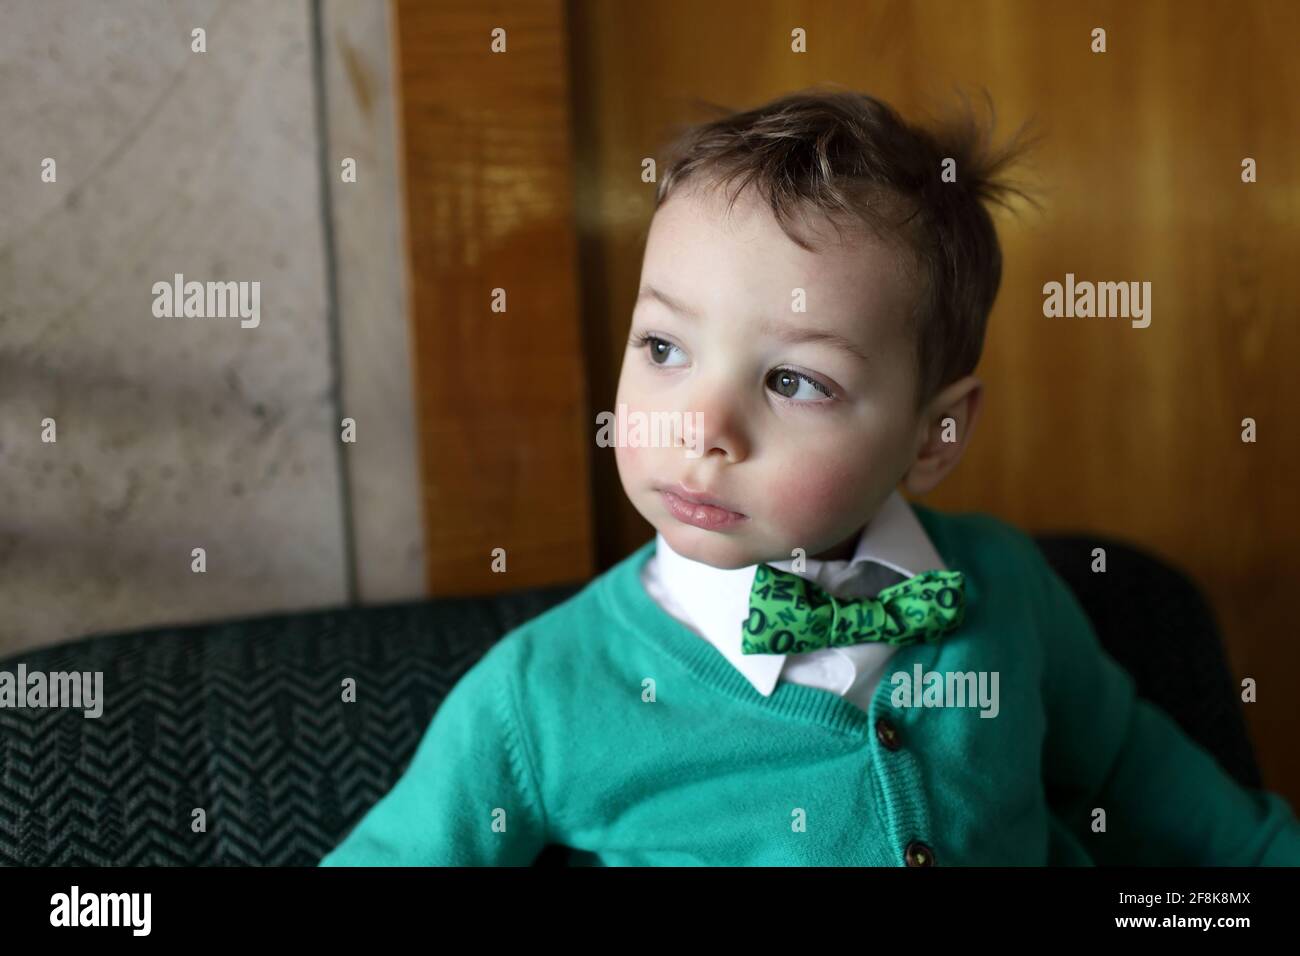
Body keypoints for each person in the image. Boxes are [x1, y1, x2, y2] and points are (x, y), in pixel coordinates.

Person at [320, 87, 1300, 866]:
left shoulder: (1004, 584)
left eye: (793, 378)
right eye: (663, 345)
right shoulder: (539, 694)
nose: (700, 426)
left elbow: (1127, 764)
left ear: (933, 433)